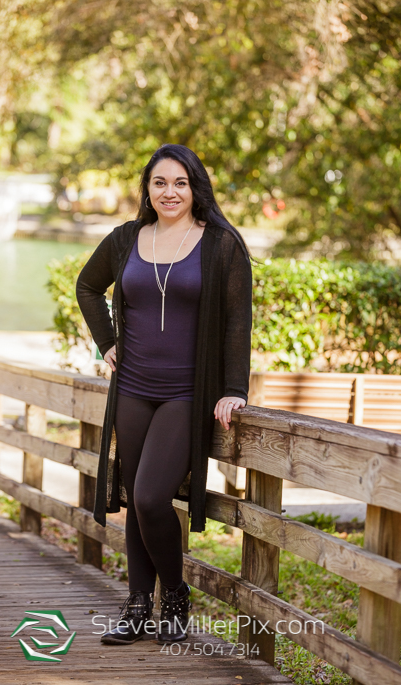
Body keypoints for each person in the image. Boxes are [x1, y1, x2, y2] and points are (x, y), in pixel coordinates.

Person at [76, 143, 253, 646]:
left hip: (185, 392)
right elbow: (88, 288)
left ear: (196, 186)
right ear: (147, 190)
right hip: (132, 388)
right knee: (137, 500)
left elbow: (237, 322)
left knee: (152, 496)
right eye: (159, 183)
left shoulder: (221, 245)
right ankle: (137, 606)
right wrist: (107, 342)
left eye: (180, 182)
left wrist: (233, 389)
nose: (169, 192)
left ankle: (173, 595)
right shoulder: (126, 239)